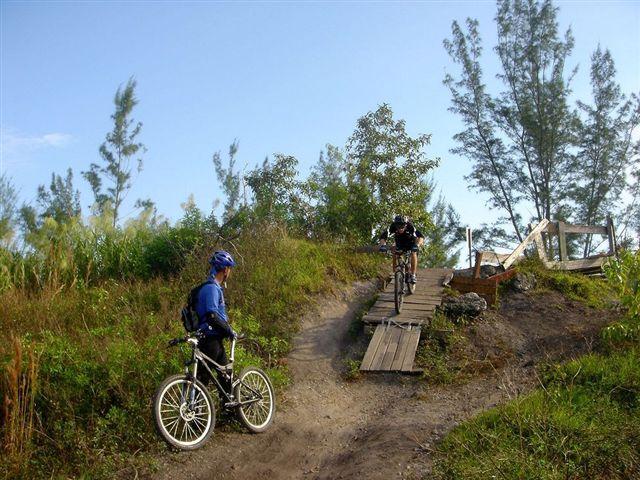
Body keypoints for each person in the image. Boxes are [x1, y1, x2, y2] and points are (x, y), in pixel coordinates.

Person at [195, 250, 237, 389]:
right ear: (225, 270)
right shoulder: (212, 288)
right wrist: (229, 331)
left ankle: (229, 410)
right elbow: (211, 315)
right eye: (229, 269)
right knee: (202, 380)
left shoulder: (211, 287)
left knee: (226, 379)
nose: (229, 272)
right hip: (210, 340)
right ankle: (197, 409)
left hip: (214, 341)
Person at [378, 215, 425, 283]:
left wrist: (417, 245)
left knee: (413, 253)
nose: (400, 229)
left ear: (406, 224)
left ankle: (413, 275)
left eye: (402, 226)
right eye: (398, 227)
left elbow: (421, 236)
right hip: (400, 243)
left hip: (411, 243)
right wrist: (383, 245)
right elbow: (383, 237)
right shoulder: (392, 226)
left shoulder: (410, 226)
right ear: (395, 225)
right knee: (394, 253)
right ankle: (395, 273)